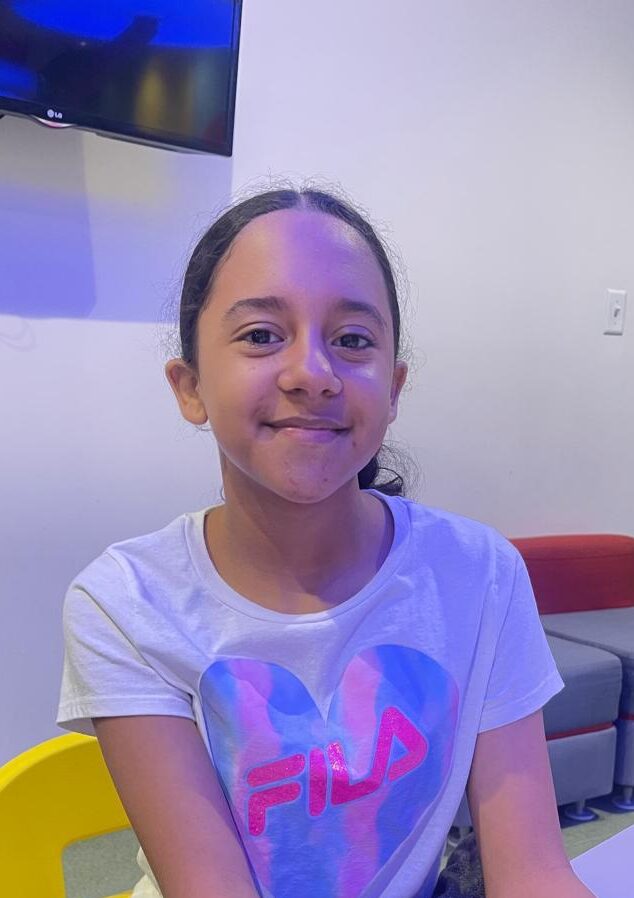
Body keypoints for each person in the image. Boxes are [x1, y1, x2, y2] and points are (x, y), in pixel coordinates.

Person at [56, 182, 595, 898]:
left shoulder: (479, 573)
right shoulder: (126, 603)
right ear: (189, 386)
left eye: (351, 340)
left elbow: (532, 872)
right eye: (261, 335)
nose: (312, 373)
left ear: (393, 388)